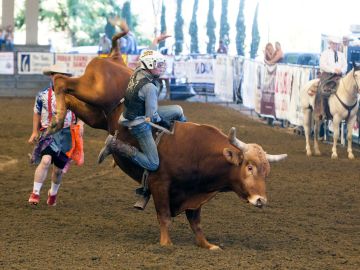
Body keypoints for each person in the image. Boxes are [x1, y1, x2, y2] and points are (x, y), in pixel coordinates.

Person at [97, 49, 186, 207]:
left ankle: (185, 136)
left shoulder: (138, 71)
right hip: (139, 124)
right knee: (153, 163)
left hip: (130, 114)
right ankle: (116, 145)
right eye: (158, 65)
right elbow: (152, 117)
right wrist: (165, 124)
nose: (161, 67)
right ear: (150, 64)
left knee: (178, 110)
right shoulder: (150, 87)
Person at [28, 63, 84, 206]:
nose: (58, 78)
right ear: (51, 76)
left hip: (67, 134)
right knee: (45, 160)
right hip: (48, 132)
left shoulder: (74, 96)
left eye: (62, 75)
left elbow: (81, 112)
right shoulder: (42, 95)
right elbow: (37, 112)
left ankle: (52, 193)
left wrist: (80, 124)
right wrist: (35, 131)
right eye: (55, 74)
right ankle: (35, 193)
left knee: (58, 171)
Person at [318, 36, 347, 139]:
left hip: (339, 76)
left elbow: (345, 65)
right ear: (330, 44)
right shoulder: (325, 53)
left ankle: (345, 113)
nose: (335, 45)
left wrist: (341, 71)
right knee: (324, 91)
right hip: (327, 76)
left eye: (337, 44)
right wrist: (333, 70)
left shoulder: (341, 55)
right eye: (333, 43)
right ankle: (324, 112)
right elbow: (322, 65)